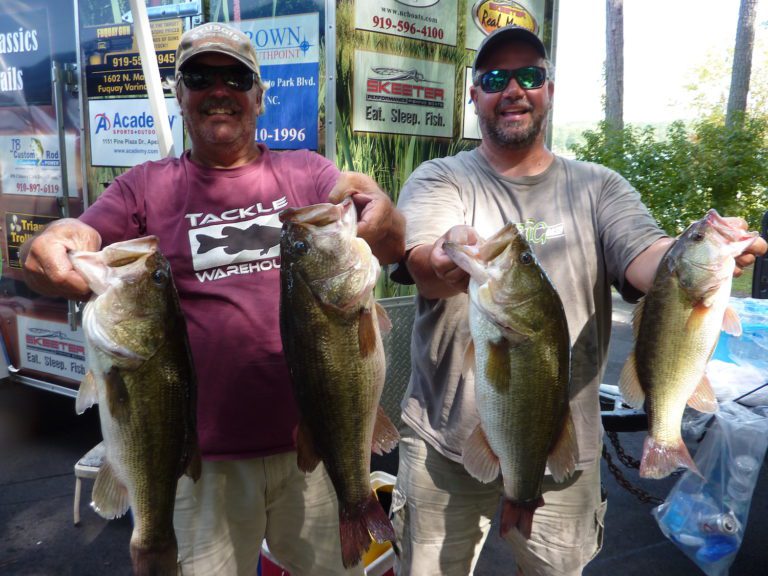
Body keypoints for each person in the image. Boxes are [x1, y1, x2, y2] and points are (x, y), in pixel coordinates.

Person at [21, 22, 404, 576]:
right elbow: (62, 250)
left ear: (258, 97)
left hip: (314, 442)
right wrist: (52, 242)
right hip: (199, 463)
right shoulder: (143, 187)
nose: (218, 90)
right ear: (180, 95)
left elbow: (388, 244)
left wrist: (385, 215)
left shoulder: (308, 172)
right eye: (200, 76)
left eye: (236, 77)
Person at [388, 24, 767, 576]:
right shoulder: (441, 178)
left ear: (549, 89)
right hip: (442, 443)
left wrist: (697, 258)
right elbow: (424, 263)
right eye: (495, 78)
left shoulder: (599, 187)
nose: (513, 89)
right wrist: (446, 258)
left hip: (564, 441)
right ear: (474, 95)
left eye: (529, 76)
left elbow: (645, 255)